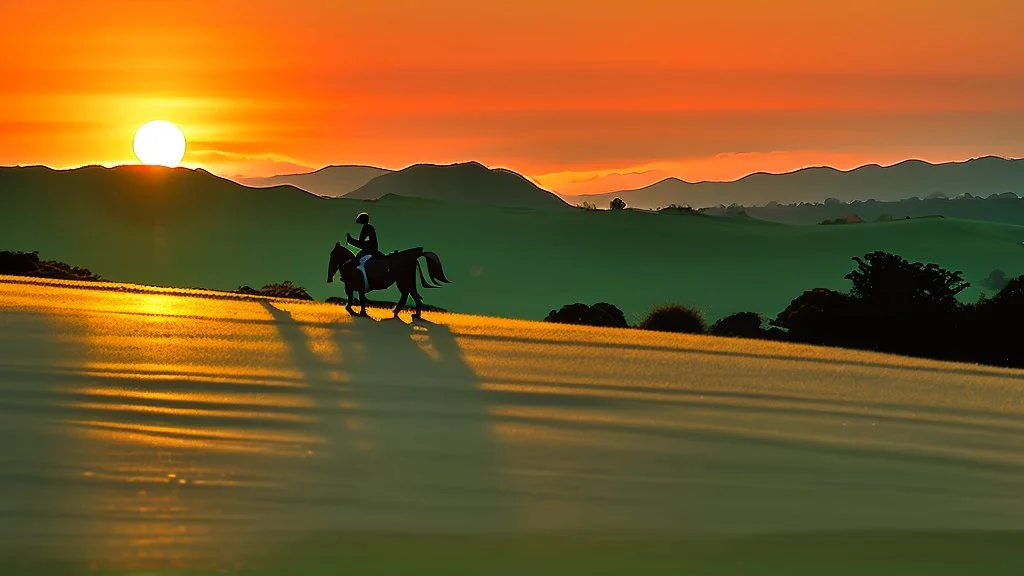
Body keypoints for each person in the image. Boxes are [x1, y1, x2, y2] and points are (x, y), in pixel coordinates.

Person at [346, 212, 383, 291]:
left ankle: (358, 280)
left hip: (370, 250)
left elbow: (361, 243)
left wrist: (350, 240)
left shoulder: (366, 228)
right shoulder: (369, 227)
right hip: (371, 249)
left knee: (357, 261)